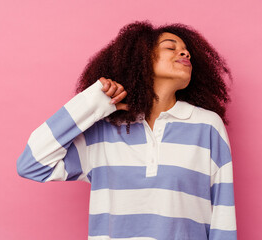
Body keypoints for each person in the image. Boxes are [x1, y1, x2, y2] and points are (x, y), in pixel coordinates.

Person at [17, 20, 237, 240]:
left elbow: (223, 214)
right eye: (171, 47)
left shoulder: (206, 125)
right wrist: (91, 104)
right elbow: (32, 164)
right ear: (141, 58)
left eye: (187, 51)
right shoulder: (103, 132)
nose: (185, 54)